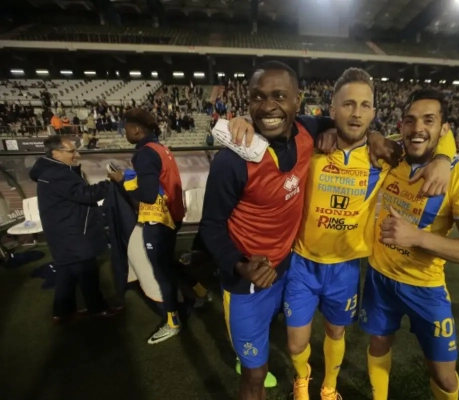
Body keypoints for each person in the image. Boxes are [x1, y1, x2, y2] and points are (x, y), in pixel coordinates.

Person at [229, 69, 456, 400]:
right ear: (332, 109)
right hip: (303, 262)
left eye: (365, 105)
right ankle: (302, 380)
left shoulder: (385, 155)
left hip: (346, 267)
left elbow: (429, 134)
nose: (356, 113)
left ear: (374, 112)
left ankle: (329, 388)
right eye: (348, 104)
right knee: (296, 341)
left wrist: (445, 158)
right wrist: (242, 121)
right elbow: (274, 123)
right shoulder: (311, 146)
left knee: (336, 331)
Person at [198, 61, 394, 400]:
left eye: (279, 96)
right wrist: (239, 264)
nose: (268, 106)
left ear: (297, 100)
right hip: (248, 281)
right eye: (258, 97)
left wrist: (375, 136)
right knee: (255, 373)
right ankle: (292, 378)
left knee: (316, 335)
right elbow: (211, 226)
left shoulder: (307, 132)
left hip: (290, 267)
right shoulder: (231, 162)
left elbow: (347, 123)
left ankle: (324, 386)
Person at [359, 89, 459, 400]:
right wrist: (374, 134)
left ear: (444, 129)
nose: (417, 128)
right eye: (410, 120)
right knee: (378, 343)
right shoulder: (393, 155)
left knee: (444, 376)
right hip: (379, 277)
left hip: (425, 288)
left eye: (429, 120)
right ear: (401, 125)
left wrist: (417, 238)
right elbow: (365, 133)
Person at [107, 108, 185, 345]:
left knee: (161, 272)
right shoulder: (160, 148)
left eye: (126, 129)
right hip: (172, 214)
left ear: (137, 129)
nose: (125, 133)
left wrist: (122, 181)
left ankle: (173, 322)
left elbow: (149, 195)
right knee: (167, 263)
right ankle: (200, 293)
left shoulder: (145, 153)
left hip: (159, 219)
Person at [30, 135, 116, 324]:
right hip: (73, 233)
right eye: (71, 151)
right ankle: (97, 309)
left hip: (62, 231)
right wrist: (111, 182)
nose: (77, 155)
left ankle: (62, 312)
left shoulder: (52, 171)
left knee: (66, 273)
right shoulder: (57, 174)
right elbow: (86, 194)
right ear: (56, 153)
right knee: (87, 273)